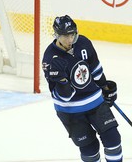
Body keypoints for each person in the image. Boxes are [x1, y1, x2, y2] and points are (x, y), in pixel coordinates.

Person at [42, 15, 122, 162]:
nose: (70, 39)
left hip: (96, 103)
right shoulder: (49, 59)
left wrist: (105, 87)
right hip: (71, 111)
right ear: (56, 35)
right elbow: (64, 96)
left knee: (113, 139)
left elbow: (95, 69)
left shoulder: (83, 43)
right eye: (65, 36)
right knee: (89, 149)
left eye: (72, 34)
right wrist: (62, 81)